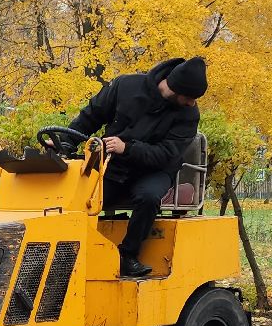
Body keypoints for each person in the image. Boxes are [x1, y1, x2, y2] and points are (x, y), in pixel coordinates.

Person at [67, 55, 206, 277]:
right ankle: (73, 253)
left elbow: (166, 154)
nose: (193, 103)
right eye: (190, 97)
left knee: (149, 197)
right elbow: (92, 115)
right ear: (177, 87)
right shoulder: (126, 86)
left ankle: (128, 256)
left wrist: (127, 148)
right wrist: (67, 141)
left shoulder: (189, 114)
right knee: (81, 195)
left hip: (155, 170)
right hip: (114, 167)